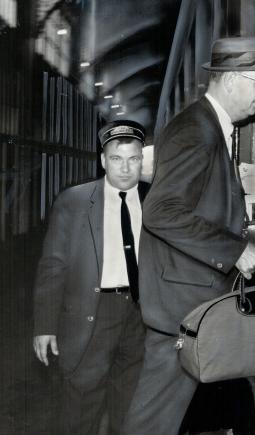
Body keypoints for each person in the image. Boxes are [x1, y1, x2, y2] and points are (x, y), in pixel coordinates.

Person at [123, 37, 255, 435]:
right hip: (186, 307)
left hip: (194, 298)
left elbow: (197, 204)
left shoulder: (209, 126)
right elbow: (161, 211)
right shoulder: (196, 129)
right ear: (230, 80)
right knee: (155, 415)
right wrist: (235, 250)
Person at [33, 120, 149, 435]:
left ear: (143, 159)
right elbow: (53, 265)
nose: (125, 168)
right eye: (116, 158)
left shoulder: (156, 199)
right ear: (102, 160)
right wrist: (44, 324)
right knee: (81, 408)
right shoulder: (75, 201)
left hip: (142, 317)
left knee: (131, 408)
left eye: (133, 159)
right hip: (93, 313)